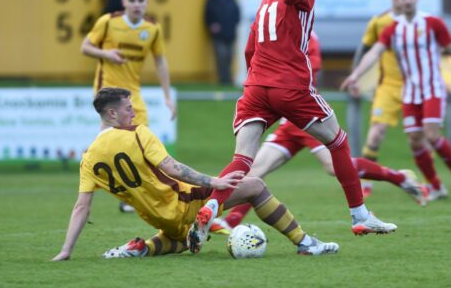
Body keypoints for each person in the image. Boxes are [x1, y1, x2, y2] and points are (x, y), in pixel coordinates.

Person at [187, 0, 398, 254]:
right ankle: (360, 215)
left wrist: (258, 80)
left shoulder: (265, 1)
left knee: (244, 159)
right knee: (337, 142)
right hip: (290, 86)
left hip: (256, 87)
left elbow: (249, 49)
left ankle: (212, 204)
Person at [51, 87, 339, 260]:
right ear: (111, 114)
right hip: (186, 201)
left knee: (179, 241)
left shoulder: (89, 158)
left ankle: (142, 248)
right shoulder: (137, 133)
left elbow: (81, 206)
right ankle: (305, 243)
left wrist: (66, 250)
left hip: (159, 217)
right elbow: (173, 168)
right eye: (128, 109)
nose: (134, 113)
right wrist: (214, 182)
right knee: (255, 186)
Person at [212, 32, 426, 234]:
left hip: (302, 111)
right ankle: (230, 220)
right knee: (256, 168)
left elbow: (309, 71)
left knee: (334, 165)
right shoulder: (273, 24)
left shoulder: (305, 33)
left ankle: (399, 178)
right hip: (287, 116)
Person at [341, 0, 451, 201]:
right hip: (410, 91)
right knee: (415, 140)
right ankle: (436, 186)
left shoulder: (433, 23)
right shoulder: (393, 29)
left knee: (432, 136)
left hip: (432, 88)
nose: (406, 1)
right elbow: (373, 52)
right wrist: (355, 75)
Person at [81, 0, 177, 213]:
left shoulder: (152, 28)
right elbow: (85, 46)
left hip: (132, 96)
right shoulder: (108, 22)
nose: (136, 5)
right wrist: (106, 54)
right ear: (124, 2)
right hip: (107, 94)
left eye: (141, 1)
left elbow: (160, 61)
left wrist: (167, 96)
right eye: (132, 0)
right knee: (110, 144)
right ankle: (91, 185)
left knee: (142, 146)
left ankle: (131, 196)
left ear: (146, 3)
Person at [351, 0, 407, 197]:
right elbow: (365, 49)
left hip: (416, 87)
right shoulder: (379, 22)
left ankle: (445, 180)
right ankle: (366, 182)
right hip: (388, 86)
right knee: (375, 135)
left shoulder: (422, 23)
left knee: (424, 138)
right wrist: (354, 78)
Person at [204, 0, 241, 85]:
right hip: (218, 35)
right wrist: (211, 25)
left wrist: (234, 25)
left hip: (230, 33)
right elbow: (206, 16)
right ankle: (223, 79)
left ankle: (228, 78)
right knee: (220, 56)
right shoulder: (211, 0)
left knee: (229, 56)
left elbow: (237, 14)